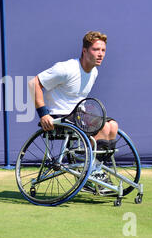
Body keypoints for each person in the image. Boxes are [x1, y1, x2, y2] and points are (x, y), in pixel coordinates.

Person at [29, 31, 118, 167]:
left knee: (113, 126)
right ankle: (92, 171)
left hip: (78, 116)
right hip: (59, 116)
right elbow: (33, 83)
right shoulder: (66, 68)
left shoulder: (94, 71)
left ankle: (95, 168)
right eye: (96, 49)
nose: (100, 54)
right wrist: (43, 114)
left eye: (103, 50)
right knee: (104, 127)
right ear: (84, 51)